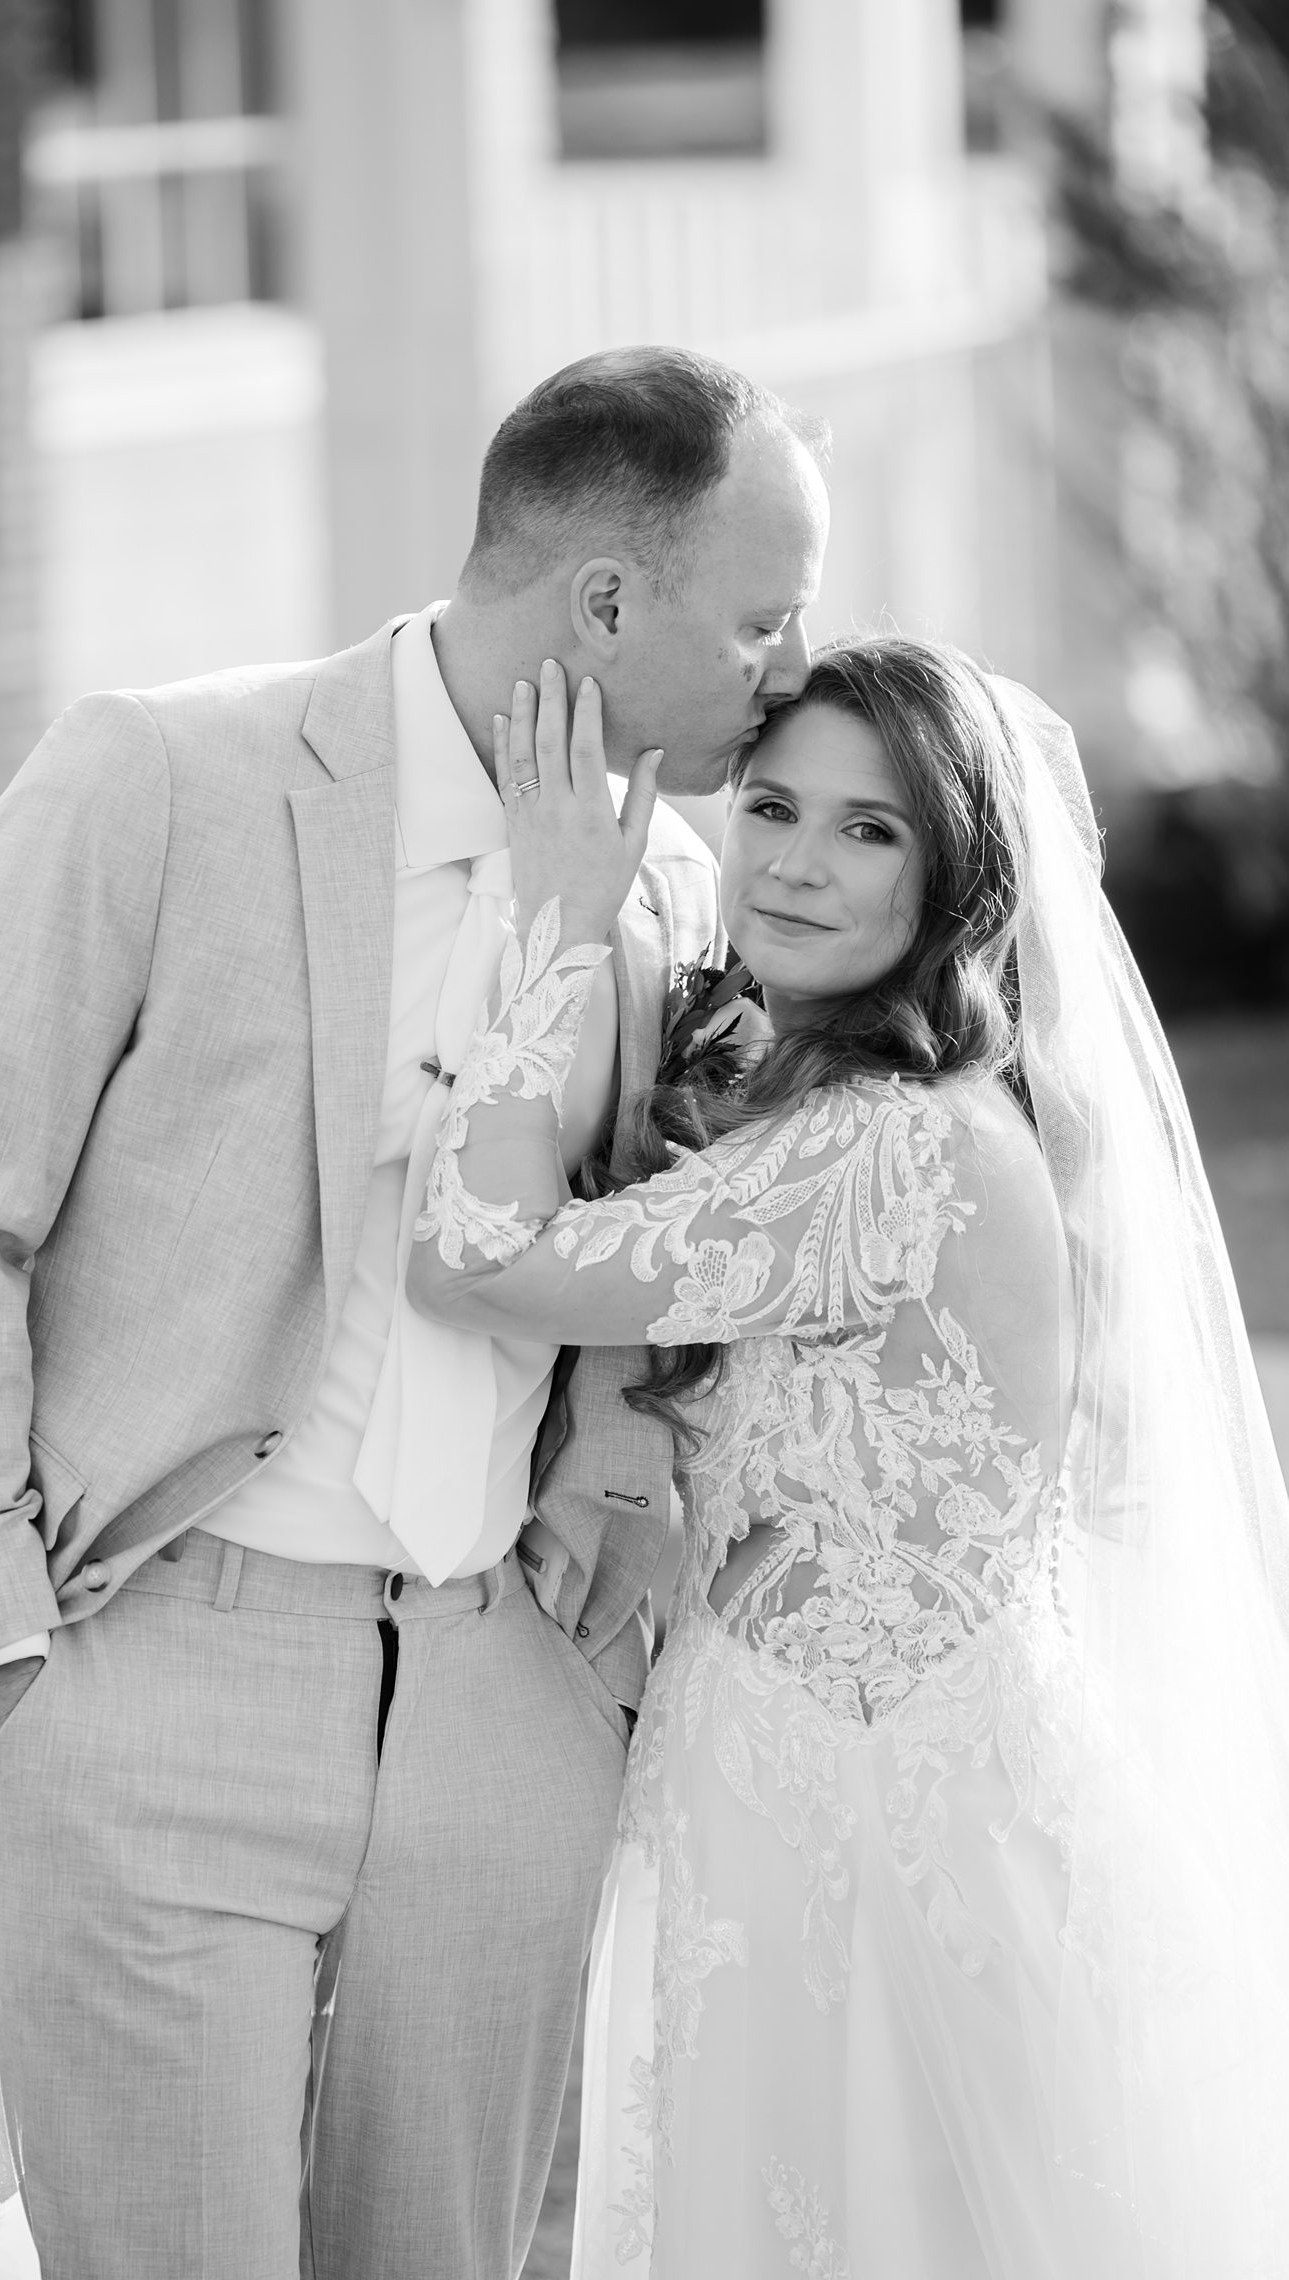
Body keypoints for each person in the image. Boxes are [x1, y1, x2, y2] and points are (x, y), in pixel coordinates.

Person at [0, 346, 829, 2280]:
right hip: (149, 1682)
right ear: (606, 602)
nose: (787, 672)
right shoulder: (164, 775)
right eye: (763, 619)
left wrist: (592, 1597)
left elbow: (638, 1276)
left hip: (498, 1709)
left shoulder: (677, 892)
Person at [408, 638, 1289, 2277]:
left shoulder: (880, 1150)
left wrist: (548, 930)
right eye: (773, 807)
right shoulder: (904, 1111)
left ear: (957, 871)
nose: (798, 863)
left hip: (874, 1838)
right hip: (855, 1787)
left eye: (870, 830)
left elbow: (468, 1251)